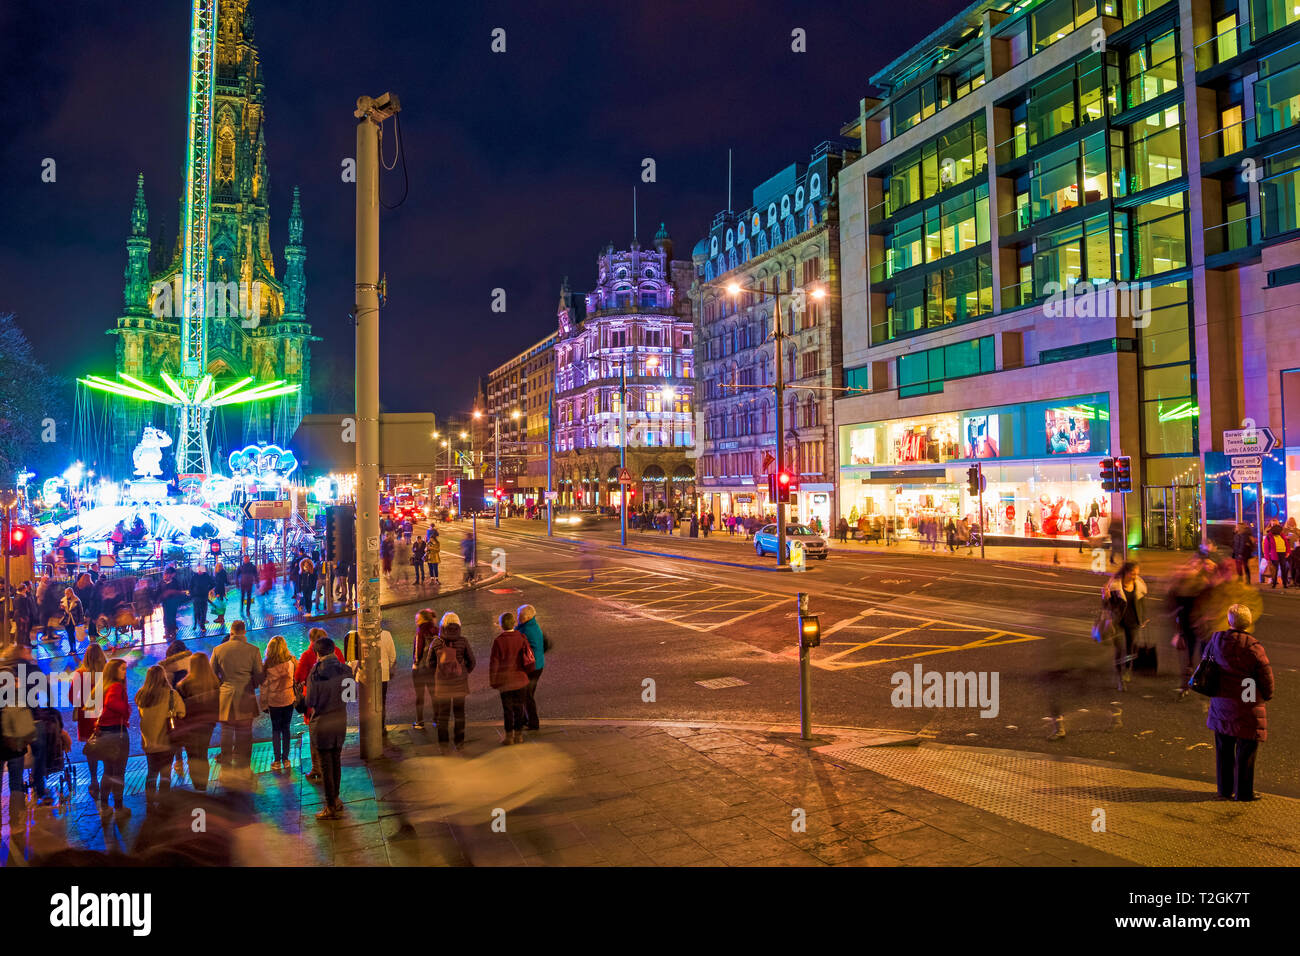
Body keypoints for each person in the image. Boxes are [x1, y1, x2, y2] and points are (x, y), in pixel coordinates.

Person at [1205, 604, 1274, 801]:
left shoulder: (1216, 641)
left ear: (1229, 621)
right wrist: (1267, 694)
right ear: (1249, 623)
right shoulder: (1253, 647)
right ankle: (1244, 792)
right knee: (1246, 747)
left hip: (1222, 699)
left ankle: (1225, 789)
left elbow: (1206, 663)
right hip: (1247, 695)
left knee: (1224, 747)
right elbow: (1265, 676)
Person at [305, 636, 351, 820]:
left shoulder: (315, 674)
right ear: (333, 650)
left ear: (317, 653)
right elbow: (350, 696)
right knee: (336, 761)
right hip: (340, 721)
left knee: (326, 765)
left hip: (322, 724)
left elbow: (310, 702)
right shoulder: (346, 669)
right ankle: (336, 799)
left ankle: (330, 806)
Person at [211, 620, 263, 774]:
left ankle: (226, 761)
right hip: (246, 695)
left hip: (226, 696)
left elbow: (211, 674)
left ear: (231, 631)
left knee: (226, 730)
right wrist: (251, 684)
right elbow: (259, 676)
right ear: (244, 632)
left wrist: (222, 685)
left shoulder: (218, 650)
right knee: (245, 732)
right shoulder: (253, 650)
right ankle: (244, 764)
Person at [294, 627, 346, 782]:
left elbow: (299, 677)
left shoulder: (308, 655)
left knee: (315, 737)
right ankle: (332, 773)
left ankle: (318, 769)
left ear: (312, 640)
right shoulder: (336, 651)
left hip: (316, 705)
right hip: (336, 704)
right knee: (335, 745)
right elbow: (347, 686)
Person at [135, 664, 185, 807]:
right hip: (166, 740)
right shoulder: (171, 694)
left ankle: (150, 803)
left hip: (148, 741)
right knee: (165, 773)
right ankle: (164, 802)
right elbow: (182, 712)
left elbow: (140, 714)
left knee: (151, 773)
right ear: (163, 677)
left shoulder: (141, 694)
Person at [175, 652, 219, 791]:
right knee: (203, 753)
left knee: (193, 756)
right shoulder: (215, 682)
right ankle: (203, 786)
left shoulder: (184, 685)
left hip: (190, 725)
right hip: (208, 724)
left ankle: (197, 785)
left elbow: (180, 708)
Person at [431, 611, 475, 748]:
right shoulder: (463, 641)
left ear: (442, 625)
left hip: (442, 685)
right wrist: (464, 673)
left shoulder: (437, 642)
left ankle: (443, 745)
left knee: (443, 715)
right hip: (459, 684)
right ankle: (459, 742)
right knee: (459, 714)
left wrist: (438, 674)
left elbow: (429, 663)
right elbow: (472, 661)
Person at [95, 658, 132, 818]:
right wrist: (126, 708)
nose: (125, 672)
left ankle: (104, 806)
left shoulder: (103, 686)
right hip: (118, 733)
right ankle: (119, 806)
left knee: (108, 771)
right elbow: (113, 703)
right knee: (119, 772)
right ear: (114, 671)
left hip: (104, 733)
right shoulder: (116, 687)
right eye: (122, 669)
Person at [1103, 561, 1147, 691]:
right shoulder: (1115, 585)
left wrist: (1143, 618)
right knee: (1119, 649)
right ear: (1126, 572)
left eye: (1136, 574)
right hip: (1117, 621)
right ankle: (1119, 678)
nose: (1135, 576)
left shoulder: (1139, 584)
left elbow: (1141, 603)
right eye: (1133, 573)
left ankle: (1127, 668)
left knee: (1130, 649)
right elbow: (1106, 606)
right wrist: (1105, 597)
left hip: (1133, 621)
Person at [489, 610, 532, 745]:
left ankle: (509, 737)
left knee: (508, 710)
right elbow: (528, 657)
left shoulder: (498, 641)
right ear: (514, 623)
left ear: (501, 625)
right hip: (521, 679)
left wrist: (494, 681)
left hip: (505, 681)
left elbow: (494, 663)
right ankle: (519, 735)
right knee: (519, 708)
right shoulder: (521, 637)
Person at [71, 643, 107, 801]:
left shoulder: (80, 674)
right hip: (105, 715)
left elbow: (72, 697)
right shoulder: (107, 673)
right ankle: (107, 780)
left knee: (91, 751)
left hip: (87, 717)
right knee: (107, 748)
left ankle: (94, 781)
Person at [262, 635, 297, 772]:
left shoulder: (267, 665)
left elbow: (264, 687)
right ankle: (286, 759)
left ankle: (277, 760)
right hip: (288, 698)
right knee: (286, 728)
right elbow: (296, 679)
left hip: (274, 701)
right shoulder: (292, 662)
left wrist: (264, 704)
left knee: (276, 729)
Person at [516, 604, 546, 732]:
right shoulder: (529, 625)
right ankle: (524, 719)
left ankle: (533, 723)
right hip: (537, 665)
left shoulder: (527, 630)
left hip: (532, 668)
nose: (518, 617)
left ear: (527, 617)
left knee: (527, 696)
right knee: (526, 694)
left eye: (520, 616)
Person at [411, 608, 438, 729]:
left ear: (423, 619)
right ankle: (437, 719)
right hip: (433, 668)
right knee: (434, 694)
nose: (416, 620)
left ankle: (420, 721)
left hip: (421, 669)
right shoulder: (437, 630)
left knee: (420, 696)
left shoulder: (420, 631)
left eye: (418, 618)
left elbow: (418, 650)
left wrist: (416, 663)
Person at [58, 586, 86, 654]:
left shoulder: (76, 600)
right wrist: (61, 608)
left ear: (71, 593)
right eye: (65, 593)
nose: (66, 594)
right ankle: (72, 649)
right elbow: (60, 611)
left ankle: (73, 649)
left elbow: (80, 611)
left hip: (74, 620)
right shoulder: (63, 600)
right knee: (69, 634)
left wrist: (81, 621)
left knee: (72, 634)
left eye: (67, 593)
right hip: (66, 620)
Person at [189, 564, 214, 630]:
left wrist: (207, 589)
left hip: (203, 596)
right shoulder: (194, 576)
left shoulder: (206, 576)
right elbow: (190, 586)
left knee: (203, 611)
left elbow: (212, 583)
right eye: (198, 569)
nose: (199, 571)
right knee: (196, 611)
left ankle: (202, 624)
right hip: (196, 596)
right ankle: (197, 623)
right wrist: (192, 594)